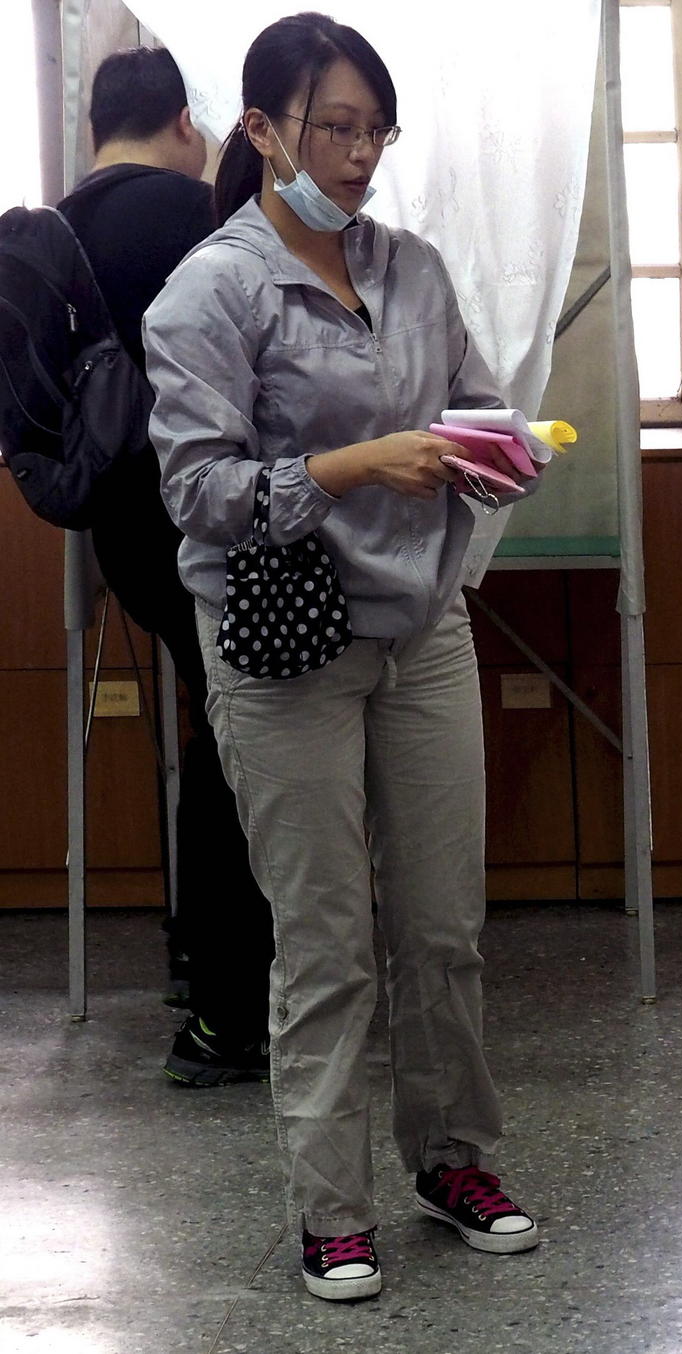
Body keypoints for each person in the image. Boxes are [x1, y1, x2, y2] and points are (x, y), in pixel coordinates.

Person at [143, 13, 537, 1302]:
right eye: (335, 129)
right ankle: (332, 1210)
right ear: (262, 130)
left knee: (443, 928)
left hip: (423, 627)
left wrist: (501, 445)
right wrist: (360, 464)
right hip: (281, 650)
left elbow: (468, 401)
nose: (361, 156)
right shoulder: (212, 290)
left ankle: (454, 1157)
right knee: (324, 942)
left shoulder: (412, 267)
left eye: (376, 130)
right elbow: (197, 494)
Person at [60, 46, 276, 1087]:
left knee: (214, 723)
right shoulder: (198, 221)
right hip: (213, 516)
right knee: (247, 737)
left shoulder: (58, 229)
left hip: (121, 532)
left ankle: (201, 967)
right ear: (186, 125)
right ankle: (228, 1008)